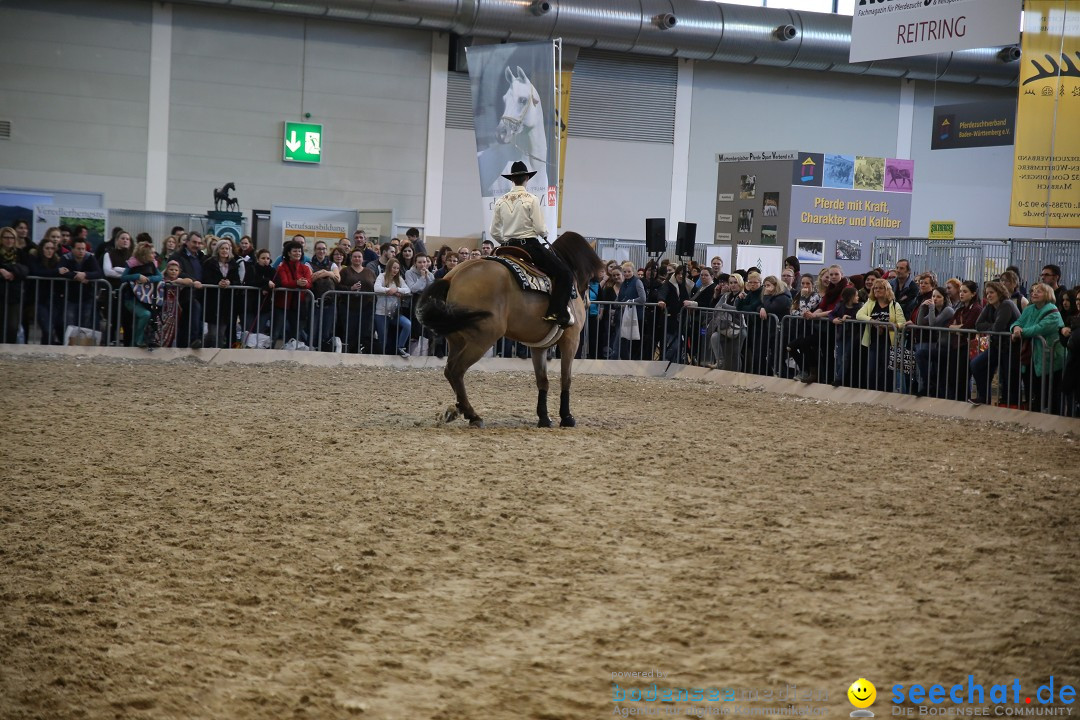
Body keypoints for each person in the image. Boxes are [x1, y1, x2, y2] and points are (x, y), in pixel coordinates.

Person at [488, 161, 574, 327]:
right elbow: (539, 227)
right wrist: (545, 234)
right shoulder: (531, 199)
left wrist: (504, 241)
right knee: (565, 273)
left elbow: (494, 231)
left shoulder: (500, 201)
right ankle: (556, 311)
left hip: (507, 247)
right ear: (526, 178)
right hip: (529, 245)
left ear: (512, 180)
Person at [1011, 283, 1066, 414]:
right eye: (1033, 291)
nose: (1034, 293)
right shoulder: (1029, 309)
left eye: (1039, 291)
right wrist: (1015, 328)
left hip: (1051, 358)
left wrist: (1021, 332)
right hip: (1032, 357)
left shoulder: (1052, 310)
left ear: (1047, 294)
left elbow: (1041, 328)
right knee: (1034, 390)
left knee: (1051, 392)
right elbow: (1018, 322)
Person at [970, 281, 1021, 406]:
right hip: (997, 345)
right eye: (987, 293)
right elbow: (978, 325)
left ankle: (1011, 404)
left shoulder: (1007, 304)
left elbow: (998, 328)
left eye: (992, 293)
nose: (989, 296)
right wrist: (992, 327)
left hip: (1011, 347)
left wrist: (990, 327)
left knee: (1009, 377)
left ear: (999, 292)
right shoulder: (989, 306)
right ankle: (983, 397)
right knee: (976, 364)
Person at [856, 278, 906, 392]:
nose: (877, 290)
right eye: (875, 288)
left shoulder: (894, 305)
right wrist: (873, 321)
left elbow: (902, 323)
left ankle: (885, 392)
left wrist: (887, 326)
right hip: (873, 341)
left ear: (887, 290)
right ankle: (871, 391)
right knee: (872, 369)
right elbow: (859, 315)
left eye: (880, 288)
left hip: (889, 342)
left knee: (887, 369)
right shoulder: (870, 303)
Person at [943, 280, 982, 401]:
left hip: (967, 347)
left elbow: (967, 327)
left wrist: (958, 327)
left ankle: (963, 401)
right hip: (956, 346)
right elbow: (948, 325)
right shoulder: (960, 310)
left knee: (962, 378)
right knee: (953, 376)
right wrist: (957, 327)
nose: (961, 294)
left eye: (965, 291)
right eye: (960, 291)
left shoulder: (976, 309)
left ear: (973, 294)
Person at [913, 287, 955, 398]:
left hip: (949, 348)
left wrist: (931, 307)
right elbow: (920, 323)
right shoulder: (936, 310)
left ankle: (929, 385)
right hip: (940, 346)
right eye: (933, 296)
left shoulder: (948, 310)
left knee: (921, 354)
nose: (935, 299)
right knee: (936, 373)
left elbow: (933, 324)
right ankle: (929, 386)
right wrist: (922, 308)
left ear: (945, 299)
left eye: (938, 297)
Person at [120, 242, 163, 348]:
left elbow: (160, 277)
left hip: (145, 299)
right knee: (145, 314)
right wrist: (137, 276)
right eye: (152, 253)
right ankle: (137, 341)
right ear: (144, 254)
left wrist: (148, 280)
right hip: (131, 299)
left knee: (143, 320)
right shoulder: (132, 263)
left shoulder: (152, 264)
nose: (154, 255)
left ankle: (135, 344)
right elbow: (123, 277)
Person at [168, 231, 205, 348]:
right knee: (190, 318)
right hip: (185, 293)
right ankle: (193, 341)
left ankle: (191, 342)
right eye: (194, 242)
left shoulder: (201, 257)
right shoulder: (177, 256)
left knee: (195, 321)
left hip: (200, 293)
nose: (197, 245)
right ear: (187, 242)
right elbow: (179, 272)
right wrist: (193, 281)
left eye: (199, 243)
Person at [272, 239, 312, 349]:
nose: (297, 253)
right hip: (282, 304)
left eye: (299, 251)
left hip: (299, 304)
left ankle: (292, 353)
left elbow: (309, 283)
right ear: (288, 253)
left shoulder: (305, 267)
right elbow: (284, 282)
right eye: (295, 251)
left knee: (296, 332)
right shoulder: (282, 267)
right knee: (276, 331)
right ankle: (268, 352)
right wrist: (297, 283)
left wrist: (304, 283)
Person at [202, 238, 242, 348]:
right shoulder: (209, 263)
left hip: (227, 302)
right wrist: (217, 282)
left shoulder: (233, 264)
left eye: (227, 249)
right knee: (212, 333)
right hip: (213, 300)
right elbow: (205, 279)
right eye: (222, 248)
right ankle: (206, 349)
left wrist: (230, 282)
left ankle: (217, 352)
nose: (225, 251)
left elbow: (237, 281)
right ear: (218, 250)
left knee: (221, 333)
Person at [58, 238, 103, 332]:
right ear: (72, 249)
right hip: (70, 296)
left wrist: (85, 274)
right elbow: (61, 271)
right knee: (69, 322)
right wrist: (76, 276)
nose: (81, 251)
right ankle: (69, 344)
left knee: (85, 323)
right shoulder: (66, 257)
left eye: (83, 248)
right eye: (79, 249)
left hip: (87, 296)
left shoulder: (90, 257)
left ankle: (81, 344)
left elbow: (98, 272)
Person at [26, 237, 65, 344]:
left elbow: (64, 272)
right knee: (47, 328)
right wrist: (56, 272)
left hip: (54, 300)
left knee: (54, 327)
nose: (49, 251)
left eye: (52, 248)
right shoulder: (35, 259)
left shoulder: (57, 261)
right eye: (47, 248)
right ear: (41, 249)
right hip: (39, 300)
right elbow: (37, 272)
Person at [338, 249, 376, 353]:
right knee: (350, 332)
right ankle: (350, 353)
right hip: (349, 307)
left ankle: (364, 353)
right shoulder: (345, 271)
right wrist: (350, 288)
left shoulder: (370, 272)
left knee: (365, 332)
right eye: (355, 256)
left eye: (359, 257)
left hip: (367, 307)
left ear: (363, 259)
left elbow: (374, 287)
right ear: (351, 258)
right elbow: (338, 287)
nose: (357, 259)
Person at [373, 256, 411, 358]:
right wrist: (390, 290)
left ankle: (400, 347)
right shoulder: (381, 276)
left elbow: (407, 290)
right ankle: (382, 356)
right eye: (394, 267)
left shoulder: (399, 279)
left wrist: (397, 289)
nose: (395, 270)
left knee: (407, 324)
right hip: (381, 313)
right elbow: (377, 288)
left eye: (397, 268)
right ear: (389, 267)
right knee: (383, 338)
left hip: (394, 313)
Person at [309, 240, 341, 352]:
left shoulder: (332, 264)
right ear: (315, 250)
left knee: (327, 329)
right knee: (313, 329)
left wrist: (324, 272)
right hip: (315, 301)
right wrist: (328, 273)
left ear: (326, 250)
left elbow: (337, 278)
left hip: (330, 301)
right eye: (319, 249)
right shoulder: (308, 264)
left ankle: (324, 350)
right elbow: (310, 278)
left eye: (323, 249)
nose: (321, 251)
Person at [657, 264, 691, 363]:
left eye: (683, 274)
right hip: (669, 319)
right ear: (675, 274)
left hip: (681, 320)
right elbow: (662, 292)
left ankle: (670, 361)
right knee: (670, 343)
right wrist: (661, 300)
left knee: (677, 344)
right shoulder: (668, 284)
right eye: (679, 274)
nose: (681, 276)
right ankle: (665, 360)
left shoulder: (687, 285)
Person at [0, 226, 28, 343]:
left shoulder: (20, 253)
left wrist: (10, 270)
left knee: (12, 326)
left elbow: (26, 270)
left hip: (14, 295)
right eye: (6, 237)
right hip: (0, 293)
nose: (9, 240)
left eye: (12, 237)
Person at [829, 286, 861, 387]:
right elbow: (831, 314)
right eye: (856, 296)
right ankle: (838, 377)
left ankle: (839, 379)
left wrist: (849, 318)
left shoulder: (860, 306)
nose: (858, 297)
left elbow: (859, 317)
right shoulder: (840, 306)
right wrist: (833, 320)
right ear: (850, 297)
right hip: (841, 335)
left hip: (852, 336)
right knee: (838, 357)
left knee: (846, 357)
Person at [405, 253, 436, 356]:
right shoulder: (409, 273)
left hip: (427, 304)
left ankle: (426, 352)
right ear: (415, 263)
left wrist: (427, 278)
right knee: (416, 329)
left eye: (425, 262)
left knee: (428, 330)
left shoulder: (430, 274)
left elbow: (432, 289)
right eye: (420, 262)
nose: (423, 264)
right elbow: (413, 288)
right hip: (415, 303)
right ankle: (414, 353)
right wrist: (422, 278)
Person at [615, 260, 646, 360]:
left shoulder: (637, 282)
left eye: (629, 271)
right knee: (624, 340)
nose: (627, 274)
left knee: (634, 341)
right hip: (625, 316)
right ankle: (626, 361)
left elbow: (643, 298)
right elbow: (620, 298)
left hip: (637, 316)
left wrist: (631, 301)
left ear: (633, 271)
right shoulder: (624, 283)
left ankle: (634, 361)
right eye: (625, 272)